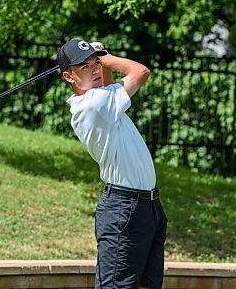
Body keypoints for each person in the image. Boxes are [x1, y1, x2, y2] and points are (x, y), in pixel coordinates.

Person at [57, 39, 168, 289]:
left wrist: (97, 61)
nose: (95, 69)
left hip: (147, 208)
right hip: (124, 209)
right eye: (85, 67)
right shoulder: (93, 104)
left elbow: (106, 84)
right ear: (68, 76)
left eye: (96, 63)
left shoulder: (105, 102)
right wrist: (105, 57)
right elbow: (140, 72)